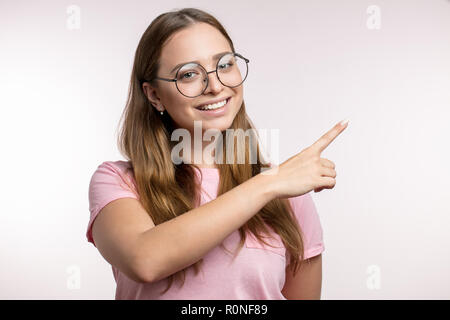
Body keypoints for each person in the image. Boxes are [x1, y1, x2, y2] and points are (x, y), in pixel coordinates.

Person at [86, 7, 348, 300]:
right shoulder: (117, 181)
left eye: (224, 65)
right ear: (154, 95)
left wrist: (275, 183)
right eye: (188, 74)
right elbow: (144, 260)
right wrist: (268, 184)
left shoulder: (287, 190)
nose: (215, 86)